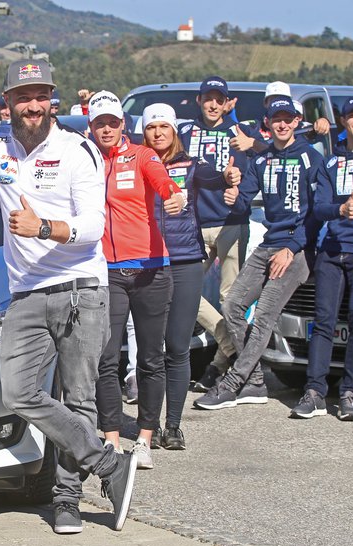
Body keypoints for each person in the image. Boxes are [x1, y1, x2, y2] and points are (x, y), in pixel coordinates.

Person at [0, 61, 139, 536]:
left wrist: (44, 228)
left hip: (81, 288)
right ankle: (107, 462)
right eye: (23, 95)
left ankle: (66, 500)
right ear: (7, 102)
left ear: (52, 100)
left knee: (78, 398)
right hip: (26, 292)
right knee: (18, 392)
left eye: (41, 95)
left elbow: (94, 226)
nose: (33, 105)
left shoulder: (78, 149)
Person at [194, 97, 323, 410]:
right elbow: (242, 202)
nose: (282, 124)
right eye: (276, 118)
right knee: (234, 303)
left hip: (297, 248)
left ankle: (235, 382)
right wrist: (234, 195)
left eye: (288, 119)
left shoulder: (310, 158)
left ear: (296, 122)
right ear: (268, 122)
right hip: (269, 244)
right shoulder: (262, 160)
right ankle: (254, 384)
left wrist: (292, 249)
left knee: (264, 314)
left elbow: (317, 213)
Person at [88, 91, 186, 469]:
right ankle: (111, 439)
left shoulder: (142, 155)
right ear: (91, 126)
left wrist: (174, 196)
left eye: (113, 121)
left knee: (150, 357)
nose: (107, 128)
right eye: (100, 123)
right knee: (106, 358)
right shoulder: (86, 159)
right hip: (107, 271)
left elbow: (163, 182)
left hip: (151, 269)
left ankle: (145, 437)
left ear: (123, 124)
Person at [140, 104, 241, 449]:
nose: (157, 133)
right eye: (151, 127)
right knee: (150, 351)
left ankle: (173, 426)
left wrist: (229, 178)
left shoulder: (191, 165)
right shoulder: (137, 163)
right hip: (148, 263)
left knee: (178, 348)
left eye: (163, 126)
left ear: (174, 131)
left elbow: (213, 179)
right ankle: (148, 426)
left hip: (185, 261)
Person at [291, 96, 353, 421]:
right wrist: (340, 209)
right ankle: (314, 392)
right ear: (343, 121)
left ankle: (350, 393)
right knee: (324, 321)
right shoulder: (331, 161)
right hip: (332, 250)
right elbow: (318, 207)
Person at [178, 76, 249, 394]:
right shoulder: (183, 132)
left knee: (229, 299)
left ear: (227, 103)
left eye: (219, 99)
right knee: (184, 293)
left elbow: (253, 172)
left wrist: (238, 182)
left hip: (231, 223)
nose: (213, 104)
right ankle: (234, 348)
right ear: (199, 100)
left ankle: (217, 367)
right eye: (208, 97)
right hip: (192, 224)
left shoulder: (238, 133)